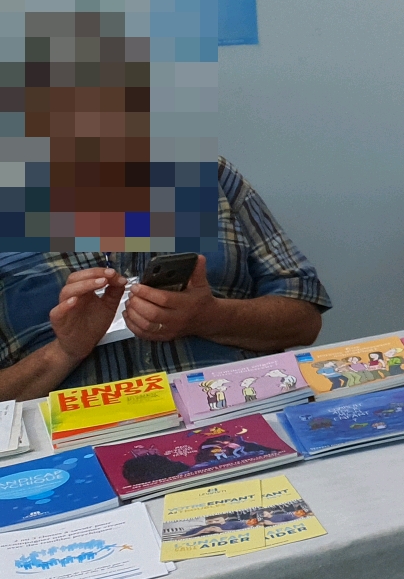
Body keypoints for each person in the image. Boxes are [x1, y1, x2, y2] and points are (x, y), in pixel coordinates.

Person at [0, 153, 331, 399]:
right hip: (75, 450)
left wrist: (208, 317)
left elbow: (304, 320)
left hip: (241, 413)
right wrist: (65, 351)